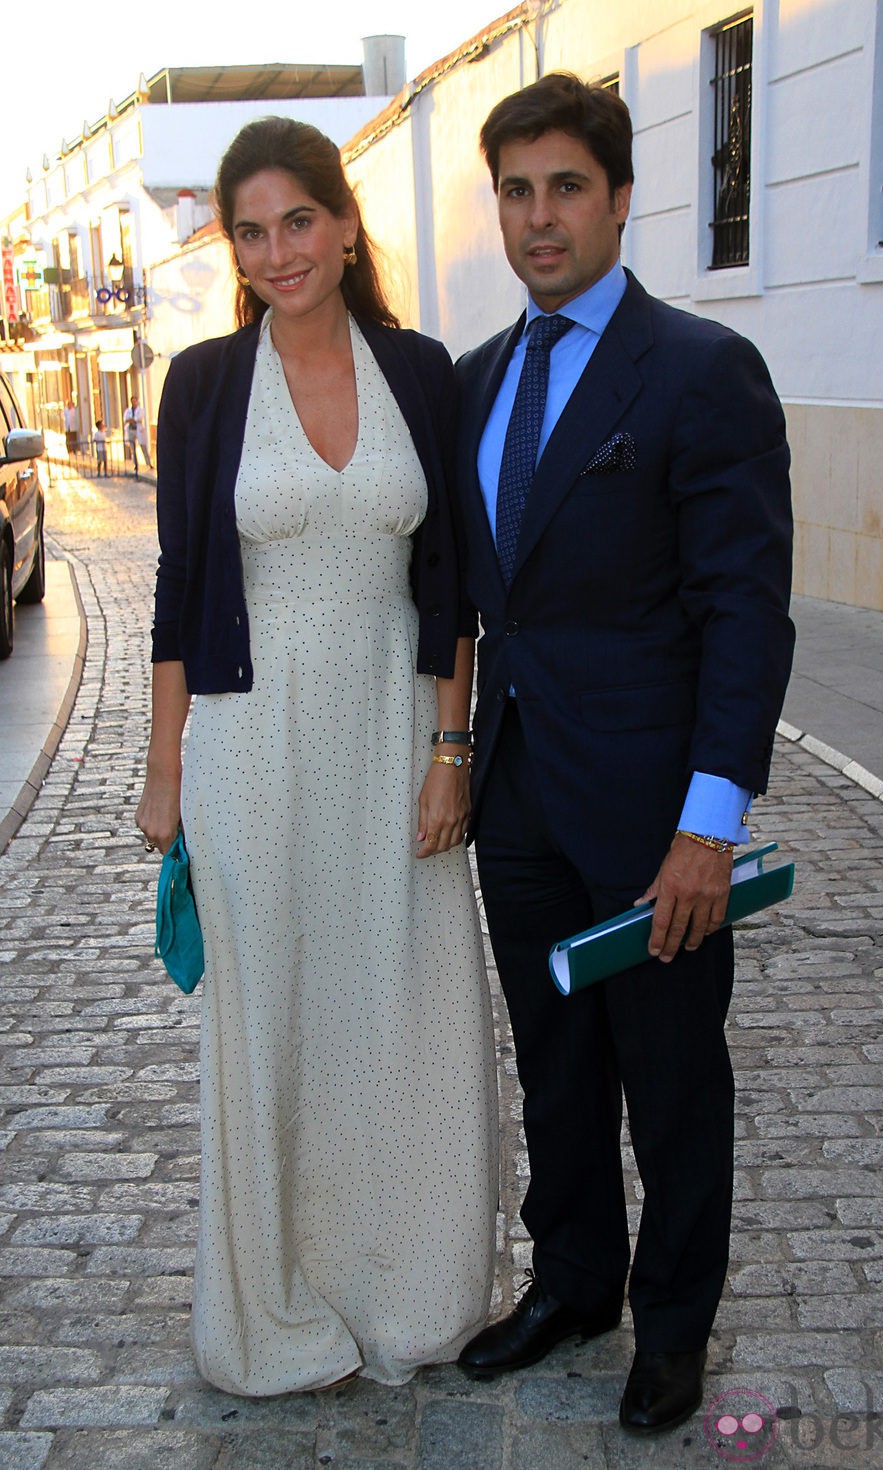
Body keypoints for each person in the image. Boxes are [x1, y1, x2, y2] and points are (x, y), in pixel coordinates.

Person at [454, 74, 794, 1436]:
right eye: (519, 192)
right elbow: (485, 597)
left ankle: (673, 1326)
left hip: (657, 813)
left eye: (567, 188)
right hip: (519, 794)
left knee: (672, 1076)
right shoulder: (477, 381)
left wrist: (709, 822)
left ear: (619, 197)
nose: (542, 219)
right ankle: (577, 1279)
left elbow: (742, 611)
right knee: (555, 1062)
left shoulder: (701, 370)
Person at [135, 115, 497, 1397]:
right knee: (273, 1021)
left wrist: (452, 747)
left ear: (346, 225)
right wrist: (164, 767)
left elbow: (452, 575)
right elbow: (183, 582)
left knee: (402, 1006)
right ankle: (274, 1303)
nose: (276, 251)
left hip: (394, 733)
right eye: (249, 229)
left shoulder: (421, 371)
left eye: (297, 221)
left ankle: (407, 1287)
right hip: (250, 743)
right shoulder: (202, 383)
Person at [123, 395, 152, 475]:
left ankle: (148, 463)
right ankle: (136, 465)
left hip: (138, 430)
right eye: (132, 401)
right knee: (133, 449)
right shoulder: (128, 411)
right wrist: (131, 420)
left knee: (143, 447)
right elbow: (125, 420)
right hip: (131, 430)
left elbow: (138, 418)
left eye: (135, 401)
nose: (133, 402)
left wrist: (131, 420)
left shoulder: (140, 410)